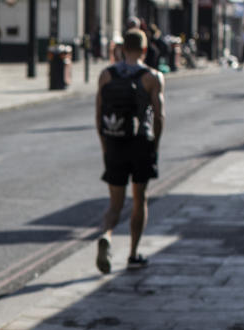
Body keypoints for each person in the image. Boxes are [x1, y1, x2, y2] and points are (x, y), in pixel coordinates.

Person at [95, 28, 165, 273]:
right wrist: (154, 146)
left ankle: (106, 234)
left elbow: (99, 116)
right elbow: (159, 116)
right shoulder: (152, 77)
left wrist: (106, 146)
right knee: (139, 199)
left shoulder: (106, 75)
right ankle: (133, 254)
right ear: (145, 50)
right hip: (140, 144)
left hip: (114, 142)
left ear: (122, 48)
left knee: (115, 203)